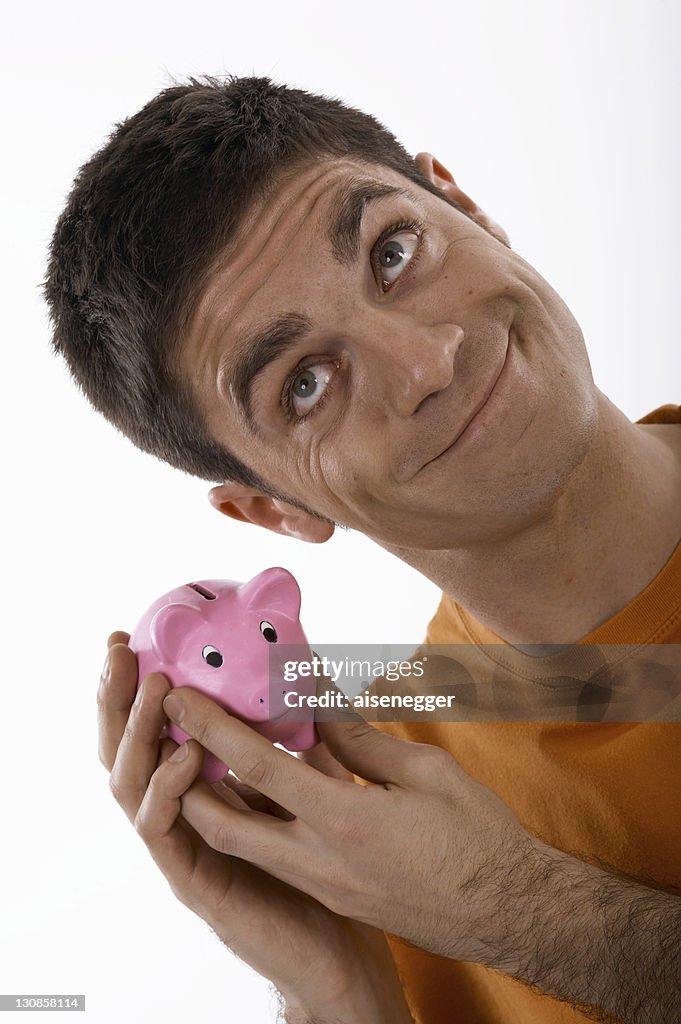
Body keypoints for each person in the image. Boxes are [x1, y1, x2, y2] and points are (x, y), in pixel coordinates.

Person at [44, 76, 681, 1024]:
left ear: (464, 206)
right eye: (304, 383)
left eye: (394, 250)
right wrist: (344, 994)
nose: (428, 362)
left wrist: (507, 907)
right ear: (270, 511)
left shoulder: (437, 877)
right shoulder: (372, 829)